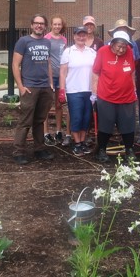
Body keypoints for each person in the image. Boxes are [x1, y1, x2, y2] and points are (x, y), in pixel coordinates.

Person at [11, 14, 55, 165]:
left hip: (44, 88)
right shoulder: (23, 41)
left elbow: (48, 63)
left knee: (39, 120)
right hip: (30, 87)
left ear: (45, 26)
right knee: (25, 121)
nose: (39, 26)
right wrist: (21, 87)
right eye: (36, 23)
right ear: (31, 25)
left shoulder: (47, 42)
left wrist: (50, 84)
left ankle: (39, 149)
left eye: (42, 23)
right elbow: (15, 65)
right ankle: (19, 151)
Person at [92, 30, 138, 163]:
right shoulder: (102, 51)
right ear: (112, 44)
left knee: (128, 124)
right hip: (106, 96)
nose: (122, 49)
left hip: (127, 96)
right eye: (119, 46)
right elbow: (95, 73)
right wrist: (94, 93)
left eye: (124, 46)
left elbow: (132, 72)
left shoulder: (129, 51)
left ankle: (129, 149)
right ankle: (101, 150)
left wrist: (134, 89)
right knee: (105, 125)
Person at [58, 26, 97, 154]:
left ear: (87, 36)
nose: (81, 37)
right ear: (74, 36)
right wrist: (62, 89)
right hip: (74, 90)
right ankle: (77, 143)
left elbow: (96, 73)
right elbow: (63, 73)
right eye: (78, 35)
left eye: (83, 35)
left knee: (86, 118)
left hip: (89, 90)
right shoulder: (68, 52)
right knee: (76, 117)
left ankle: (83, 141)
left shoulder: (91, 52)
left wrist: (95, 90)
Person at [43, 15, 68, 145]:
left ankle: (58, 131)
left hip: (61, 75)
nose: (57, 26)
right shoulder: (46, 39)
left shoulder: (64, 40)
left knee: (59, 105)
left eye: (59, 24)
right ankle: (46, 133)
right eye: (55, 24)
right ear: (51, 25)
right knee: (47, 105)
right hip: (49, 76)